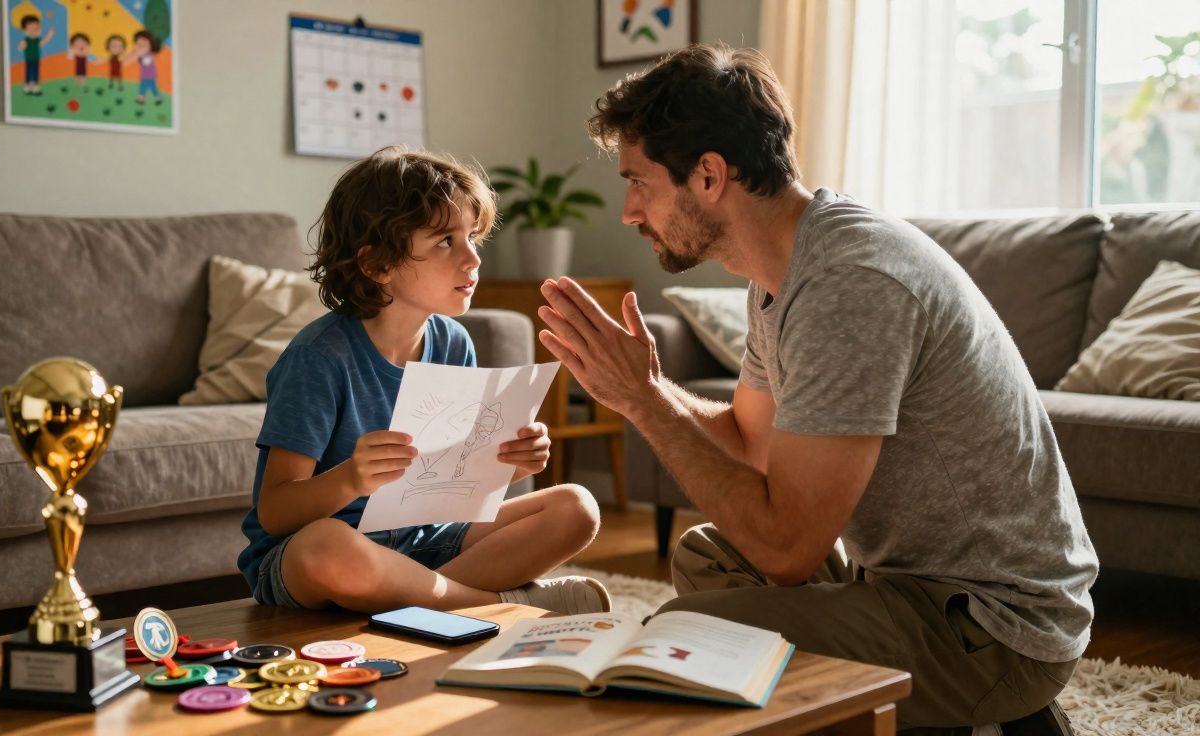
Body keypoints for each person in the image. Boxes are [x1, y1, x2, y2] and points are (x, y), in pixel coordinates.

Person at [538, 44, 1096, 735]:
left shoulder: (849, 284)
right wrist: (643, 390)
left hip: (993, 627)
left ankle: (994, 716)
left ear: (708, 175)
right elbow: (750, 444)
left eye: (640, 182)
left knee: (689, 630)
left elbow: (786, 549)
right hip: (906, 582)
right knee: (704, 556)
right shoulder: (782, 274)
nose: (628, 211)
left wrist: (649, 405)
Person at [237, 146, 610, 617]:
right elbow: (275, 513)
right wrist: (350, 478)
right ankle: (502, 608)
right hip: (321, 555)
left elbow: (456, 484)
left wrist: (509, 464)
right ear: (377, 266)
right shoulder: (318, 358)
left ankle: (417, 600)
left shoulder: (454, 342)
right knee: (327, 546)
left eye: (472, 237)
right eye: (444, 242)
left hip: (425, 540)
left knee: (576, 507)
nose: (473, 259)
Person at [16, 15, 54, 95]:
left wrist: (50, 34)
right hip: (29, 60)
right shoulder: (26, 40)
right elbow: (20, 48)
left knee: (36, 73)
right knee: (29, 73)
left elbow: (43, 42)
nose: (34, 31)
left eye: (36, 29)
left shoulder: (37, 40)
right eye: (31, 29)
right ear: (24, 30)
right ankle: (28, 87)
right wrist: (21, 46)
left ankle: (36, 88)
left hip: (36, 59)